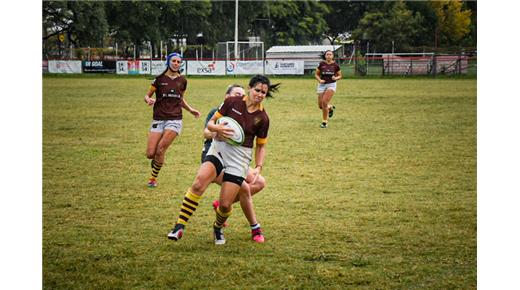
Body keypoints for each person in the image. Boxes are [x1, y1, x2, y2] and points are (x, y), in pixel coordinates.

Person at [167, 75, 279, 245]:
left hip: (239, 160)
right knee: (198, 184)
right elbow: (210, 124)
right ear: (249, 88)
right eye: (257, 90)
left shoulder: (262, 118)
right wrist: (216, 128)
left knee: (225, 205)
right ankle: (179, 226)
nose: (260, 94)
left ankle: (217, 228)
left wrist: (258, 167)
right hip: (218, 150)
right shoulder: (232, 102)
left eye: (263, 92)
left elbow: (261, 146)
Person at [202, 84, 267, 243]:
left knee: (259, 182)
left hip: (235, 159)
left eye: (242, 94)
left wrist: (258, 165)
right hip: (214, 157)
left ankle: (223, 203)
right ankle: (255, 228)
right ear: (227, 96)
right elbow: (205, 132)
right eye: (237, 94)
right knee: (244, 188)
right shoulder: (220, 110)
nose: (241, 97)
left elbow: (258, 143)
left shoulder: (250, 113)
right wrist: (217, 132)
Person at [143, 52, 201, 188]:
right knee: (150, 153)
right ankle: (157, 160)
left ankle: (153, 178)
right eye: (173, 61)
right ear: (168, 62)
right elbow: (147, 95)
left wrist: (191, 110)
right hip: (158, 118)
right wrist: (149, 100)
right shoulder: (159, 79)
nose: (176, 63)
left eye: (178, 62)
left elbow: (180, 99)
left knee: (161, 149)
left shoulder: (183, 81)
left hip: (175, 119)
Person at [315, 50, 342, 128]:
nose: (329, 56)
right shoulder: (321, 64)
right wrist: (320, 80)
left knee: (324, 102)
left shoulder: (336, 65)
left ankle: (324, 122)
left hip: (331, 85)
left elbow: (340, 76)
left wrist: (335, 77)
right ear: (325, 56)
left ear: (332, 56)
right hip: (322, 85)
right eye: (327, 54)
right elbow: (316, 74)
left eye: (330, 54)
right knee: (320, 106)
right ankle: (330, 108)